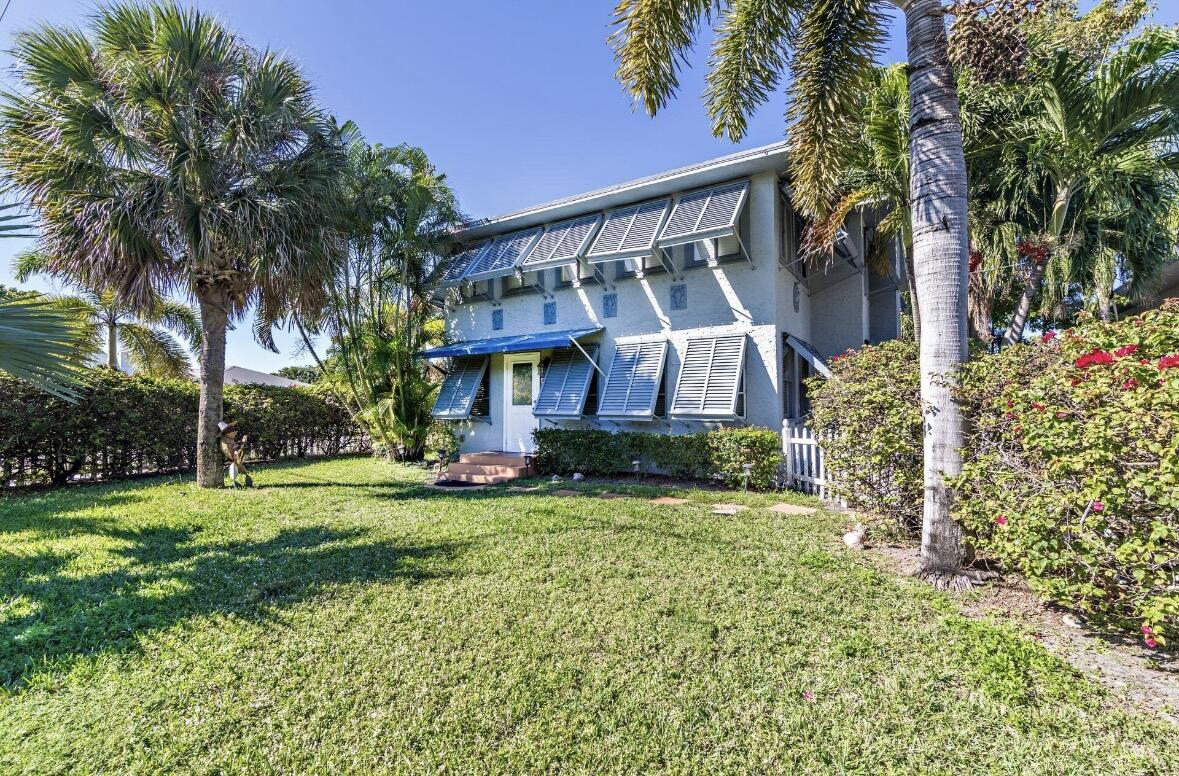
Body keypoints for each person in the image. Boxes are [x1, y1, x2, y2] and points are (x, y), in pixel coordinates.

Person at [217, 420, 253, 488]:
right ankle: (236, 481)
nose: (235, 433)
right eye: (232, 431)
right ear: (227, 433)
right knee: (236, 469)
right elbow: (232, 453)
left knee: (241, 469)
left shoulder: (229, 439)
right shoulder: (225, 442)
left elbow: (236, 448)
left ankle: (245, 477)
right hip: (234, 458)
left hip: (236, 457)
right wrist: (242, 444)